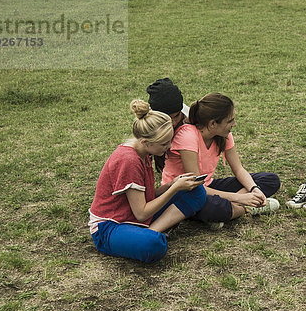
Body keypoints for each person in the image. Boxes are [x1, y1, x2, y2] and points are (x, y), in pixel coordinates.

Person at [88, 100, 206, 263]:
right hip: (110, 226)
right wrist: (173, 189)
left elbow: (147, 196)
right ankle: (150, 234)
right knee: (154, 245)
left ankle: (150, 230)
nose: (169, 147)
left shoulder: (144, 152)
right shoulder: (129, 160)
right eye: (164, 144)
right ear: (145, 142)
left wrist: (171, 184)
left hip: (135, 217)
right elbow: (141, 212)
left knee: (197, 192)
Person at [161, 92, 281, 226]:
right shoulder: (187, 135)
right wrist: (242, 198)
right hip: (185, 192)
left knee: (271, 180)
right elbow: (195, 186)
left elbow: (239, 169)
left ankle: (232, 210)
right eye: (230, 121)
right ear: (212, 124)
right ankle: (245, 208)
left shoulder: (224, 135)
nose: (234, 124)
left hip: (208, 186)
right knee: (214, 207)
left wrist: (254, 189)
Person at [146, 77, 190, 173]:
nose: (173, 122)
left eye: (176, 116)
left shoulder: (189, 117)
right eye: (168, 118)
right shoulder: (148, 121)